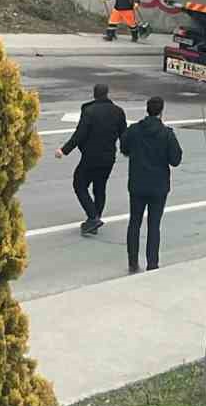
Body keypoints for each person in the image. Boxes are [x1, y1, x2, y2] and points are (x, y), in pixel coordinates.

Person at [120, 94, 182, 273]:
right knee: (154, 225)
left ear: (147, 110)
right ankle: (152, 263)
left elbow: (124, 148)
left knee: (134, 222)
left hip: (137, 183)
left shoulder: (134, 130)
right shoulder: (167, 134)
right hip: (158, 186)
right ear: (161, 112)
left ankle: (132, 262)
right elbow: (175, 159)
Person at [55, 81, 127, 235]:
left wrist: (64, 150)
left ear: (94, 94)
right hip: (108, 158)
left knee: (79, 184)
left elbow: (80, 135)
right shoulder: (118, 111)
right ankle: (95, 218)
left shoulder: (89, 111)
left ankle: (93, 217)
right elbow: (124, 136)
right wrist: (129, 151)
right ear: (107, 93)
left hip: (91, 157)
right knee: (100, 188)